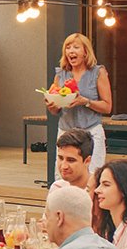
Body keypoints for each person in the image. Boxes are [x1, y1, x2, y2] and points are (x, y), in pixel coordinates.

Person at [45, 33, 113, 172]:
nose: (71, 51)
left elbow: (107, 107)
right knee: (63, 175)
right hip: (65, 133)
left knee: (93, 175)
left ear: (85, 52)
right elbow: (56, 111)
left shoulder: (98, 72)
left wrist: (85, 102)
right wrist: (52, 105)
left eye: (76, 47)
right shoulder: (60, 75)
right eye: (68, 47)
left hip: (91, 132)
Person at [48, 128, 95, 193]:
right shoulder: (57, 188)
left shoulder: (100, 192)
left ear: (87, 161)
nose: (64, 166)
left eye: (71, 160)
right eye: (61, 158)